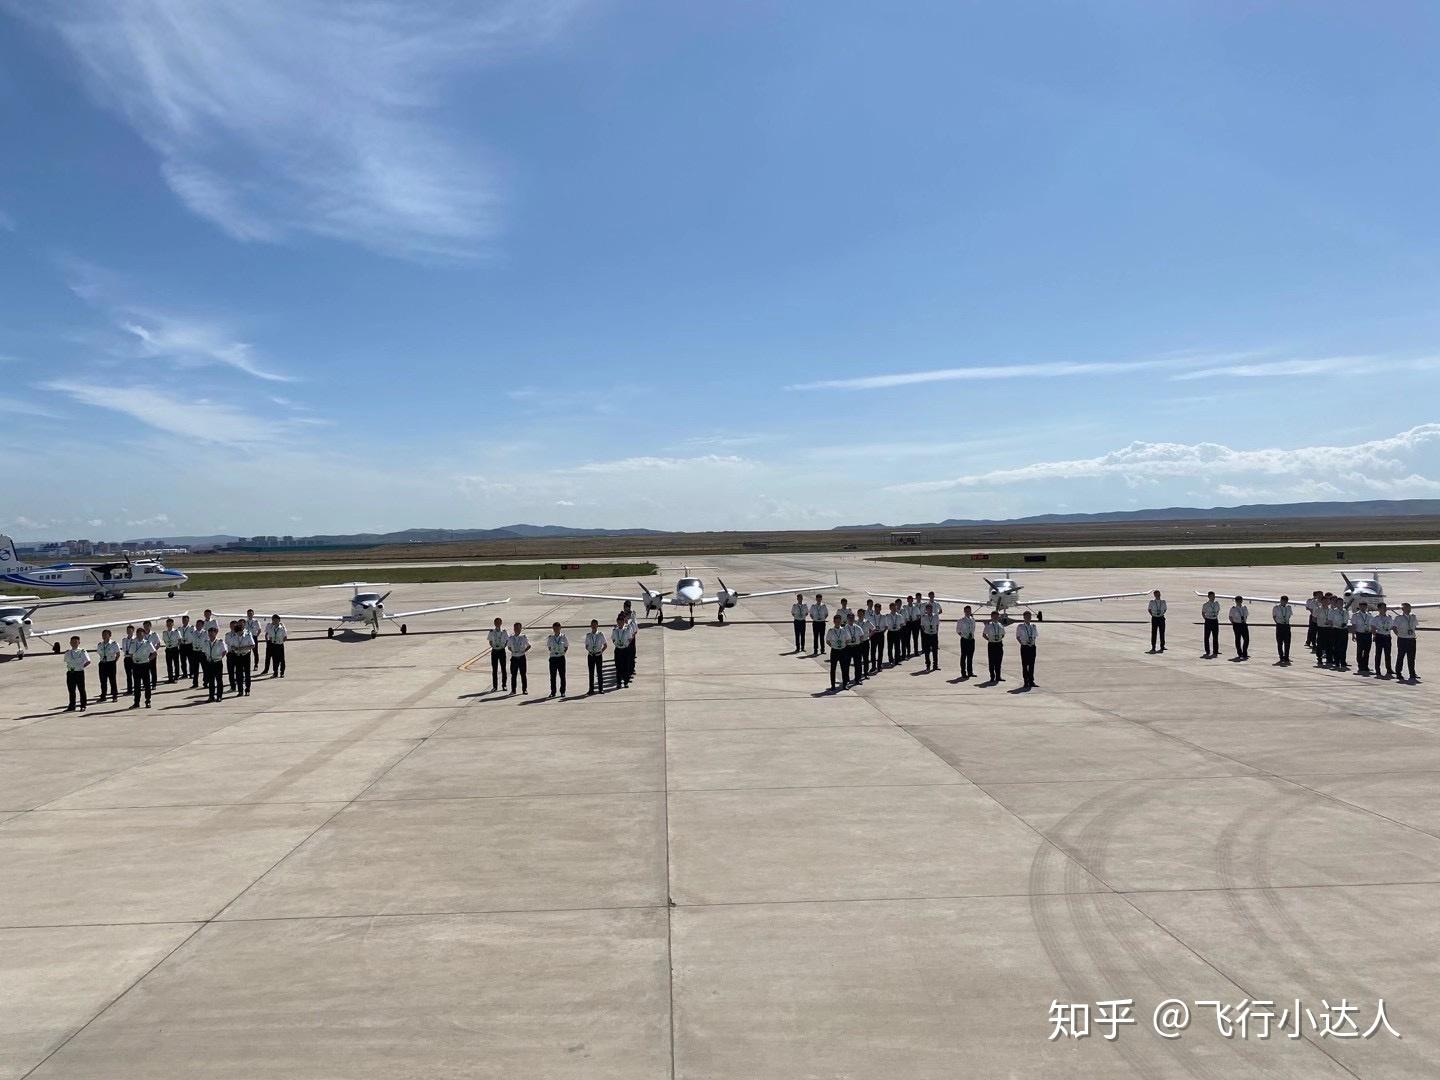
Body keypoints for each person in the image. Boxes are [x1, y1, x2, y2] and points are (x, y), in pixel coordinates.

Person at [130, 623, 156, 708]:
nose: (139, 635)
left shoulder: (147, 643)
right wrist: (133, 660)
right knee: (137, 685)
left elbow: (154, 653)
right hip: (136, 665)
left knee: (147, 684)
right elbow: (130, 653)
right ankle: (136, 702)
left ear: (144, 634)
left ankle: (148, 701)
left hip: (144, 665)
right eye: (137, 633)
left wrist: (148, 659)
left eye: (141, 633)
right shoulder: (133, 642)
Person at [63, 635, 90, 711]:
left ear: (79, 643)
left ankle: (83, 705)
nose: (74, 643)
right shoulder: (68, 652)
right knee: (71, 690)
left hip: (79, 672)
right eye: (72, 642)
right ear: (70, 643)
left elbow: (88, 661)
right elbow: (67, 662)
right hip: (71, 672)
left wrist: (81, 667)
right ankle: (72, 705)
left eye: (75, 642)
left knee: (81, 689)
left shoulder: (82, 651)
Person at [1394, 602, 1419, 683]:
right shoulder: (1399, 618)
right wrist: (1399, 634)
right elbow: (1394, 627)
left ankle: (1412, 673)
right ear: (1402, 609)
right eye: (1406, 608)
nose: (1408, 610)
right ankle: (1398, 673)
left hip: (1411, 639)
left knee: (1411, 657)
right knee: (1400, 656)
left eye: (1409, 608)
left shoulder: (1413, 616)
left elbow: (1415, 626)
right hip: (1402, 639)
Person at [232, 619, 256, 696]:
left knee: (247, 673)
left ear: (242, 630)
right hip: (238, 656)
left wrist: (243, 648)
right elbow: (231, 646)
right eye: (237, 632)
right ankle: (240, 690)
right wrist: (234, 648)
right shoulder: (234, 637)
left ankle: (247, 688)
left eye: (240, 632)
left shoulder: (248, 635)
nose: (239, 634)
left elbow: (253, 645)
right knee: (238, 674)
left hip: (246, 655)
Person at [1371, 602, 1395, 679]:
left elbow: (1392, 627)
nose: (1384, 609)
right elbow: (1373, 628)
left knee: (1388, 654)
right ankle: (1377, 669)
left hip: (1387, 636)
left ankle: (1389, 669)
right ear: (1378, 609)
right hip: (1380, 636)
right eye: (1382, 608)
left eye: (1385, 608)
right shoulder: (1376, 618)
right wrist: (1374, 635)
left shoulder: (1389, 617)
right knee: (1378, 654)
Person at [95, 628, 120, 702]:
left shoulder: (114, 644)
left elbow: (118, 654)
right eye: (103, 634)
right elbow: (99, 653)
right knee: (103, 681)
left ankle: (114, 696)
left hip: (111, 663)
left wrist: (114, 661)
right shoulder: (100, 644)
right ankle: (103, 695)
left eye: (106, 634)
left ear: (110, 635)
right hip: (103, 664)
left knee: (112, 680)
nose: (104, 636)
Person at [584, 619, 608, 694]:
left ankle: (601, 688)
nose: (593, 626)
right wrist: (589, 650)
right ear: (590, 626)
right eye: (592, 624)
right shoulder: (588, 635)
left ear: (597, 625)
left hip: (598, 655)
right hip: (591, 655)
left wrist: (601, 651)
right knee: (591, 673)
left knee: (599, 672)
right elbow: (586, 646)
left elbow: (605, 645)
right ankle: (591, 689)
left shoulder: (600, 634)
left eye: (595, 624)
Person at [613, 612, 636, 687]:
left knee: (626, 666)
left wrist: (626, 644)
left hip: (625, 649)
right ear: (617, 622)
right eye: (618, 622)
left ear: (623, 622)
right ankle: (618, 683)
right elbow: (613, 639)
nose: (620, 623)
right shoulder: (615, 630)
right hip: (618, 649)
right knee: (618, 667)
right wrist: (617, 644)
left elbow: (630, 638)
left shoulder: (627, 629)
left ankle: (626, 682)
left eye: (621, 622)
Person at [826, 613, 849, 690]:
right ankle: (833, 685)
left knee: (844, 668)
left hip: (842, 651)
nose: (838, 623)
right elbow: (828, 641)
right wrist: (833, 646)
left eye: (839, 621)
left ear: (841, 621)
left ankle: (845, 684)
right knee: (833, 669)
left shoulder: (844, 630)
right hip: (834, 651)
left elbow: (847, 639)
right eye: (836, 621)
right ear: (834, 622)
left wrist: (843, 646)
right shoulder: (831, 631)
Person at [203, 626, 226, 702]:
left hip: (217, 662)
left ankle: (219, 696)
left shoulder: (220, 641)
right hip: (209, 663)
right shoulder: (206, 642)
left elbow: (224, 651)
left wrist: (219, 658)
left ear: (216, 633)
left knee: (219, 680)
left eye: (212, 633)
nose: (210, 635)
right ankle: (211, 696)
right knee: (211, 681)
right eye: (209, 634)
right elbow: (204, 652)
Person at [1350, 602, 1374, 675]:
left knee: (1367, 651)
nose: (1363, 608)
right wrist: (1353, 635)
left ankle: (1365, 666)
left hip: (1368, 634)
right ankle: (1360, 665)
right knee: (1360, 650)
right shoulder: (1356, 615)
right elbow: (1353, 625)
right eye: (1361, 606)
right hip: (1360, 634)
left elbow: (1372, 625)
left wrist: (1374, 634)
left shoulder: (1369, 615)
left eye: (1364, 606)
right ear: (1359, 607)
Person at [1015, 611, 1038, 688]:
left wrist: (1032, 642)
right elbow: (1017, 637)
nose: (1028, 618)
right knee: (1025, 665)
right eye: (1027, 616)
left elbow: (1035, 636)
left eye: (1029, 616)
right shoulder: (1020, 626)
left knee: (1032, 664)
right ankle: (1026, 681)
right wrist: (1022, 643)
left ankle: (1031, 681)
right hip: (1025, 647)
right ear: (1024, 617)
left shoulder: (1033, 626)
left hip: (1032, 647)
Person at [486, 617, 509, 692]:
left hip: (502, 651)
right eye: (496, 622)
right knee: (494, 669)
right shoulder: (492, 632)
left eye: (499, 622)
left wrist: (504, 646)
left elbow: (507, 640)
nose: (498, 624)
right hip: (495, 651)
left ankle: (504, 685)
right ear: (494, 623)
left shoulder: (504, 631)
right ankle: (495, 686)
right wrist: (493, 646)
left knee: (503, 668)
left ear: (501, 623)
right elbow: (490, 641)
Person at [982, 611, 1006, 682]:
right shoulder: (988, 626)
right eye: (994, 616)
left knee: (999, 661)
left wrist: (999, 639)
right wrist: (989, 640)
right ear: (991, 617)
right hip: (991, 644)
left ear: (998, 617)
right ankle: (992, 676)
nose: (995, 618)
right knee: (991, 661)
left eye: (996, 616)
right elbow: (984, 635)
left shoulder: (1000, 625)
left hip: (999, 644)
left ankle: (998, 676)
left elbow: (1003, 634)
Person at [955, 606, 976, 679]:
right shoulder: (961, 620)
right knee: (963, 656)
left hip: (971, 640)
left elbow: (973, 629)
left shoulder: (973, 620)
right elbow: (958, 630)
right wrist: (964, 636)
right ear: (964, 611)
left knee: (970, 656)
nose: (968, 613)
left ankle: (970, 672)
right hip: (964, 640)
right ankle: (963, 672)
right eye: (966, 611)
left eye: (969, 611)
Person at [1271, 595, 1293, 666]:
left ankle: (1286, 657)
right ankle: (1281, 656)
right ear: (1280, 600)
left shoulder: (1289, 608)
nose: (1284, 602)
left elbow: (1289, 615)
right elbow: (1274, 616)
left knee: (1287, 642)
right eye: (1283, 600)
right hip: (1280, 625)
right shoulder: (1276, 608)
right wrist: (1278, 622)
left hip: (1286, 625)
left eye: (1285, 601)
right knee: (1280, 642)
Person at [920, 602, 941, 672]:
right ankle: (928, 666)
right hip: (927, 635)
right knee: (927, 651)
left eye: (931, 609)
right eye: (928, 609)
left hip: (934, 635)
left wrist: (936, 631)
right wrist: (926, 631)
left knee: (935, 651)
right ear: (926, 610)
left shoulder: (936, 616)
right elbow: (922, 626)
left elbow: (937, 625)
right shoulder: (924, 617)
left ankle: (935, 665)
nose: (930, 610)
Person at [1228, 596, 1250, 661]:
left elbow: (1246, 615)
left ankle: (1244, 652)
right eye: (1238, 601)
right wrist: (1234, 623)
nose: (1240, 602)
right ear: (1236, 601)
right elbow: (1230, 617)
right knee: (1238, 639)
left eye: (1240, 600)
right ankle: (1240, 653)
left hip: (1244, 624)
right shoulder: (1233, 609)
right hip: (1237, 624)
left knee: (1246, 639)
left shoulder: (1244, 607)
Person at [1201, 592, 1220, 659]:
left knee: (1215, 636)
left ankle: (1215, 650)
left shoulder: (1217, 604)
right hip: (1208, 620)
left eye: (1214, 596)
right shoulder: (1206, 605)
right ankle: (1207, 651)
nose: (1213, 597)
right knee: (1207, 637)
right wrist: (1206, 619)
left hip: (1215, 620)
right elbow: (1203, 613)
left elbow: (1218, 611)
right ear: (1208, 597)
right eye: (1212, 596)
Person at [245, 610, 265, 675]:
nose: (249, 615)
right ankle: (247, 666)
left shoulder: (256, 622)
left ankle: (256, 665)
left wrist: (256, 636)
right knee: (247, 652)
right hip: (247, 638)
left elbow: (259, 630)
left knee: (255, 652)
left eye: (251, 614)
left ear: (253, 614)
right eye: (248, 614)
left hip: (253, 637)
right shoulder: (245, 622)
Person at [162, 618, 182, 682]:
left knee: (176, 663)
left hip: (174, 649)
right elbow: (164, 640)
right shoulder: (164, 632)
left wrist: (175, 646)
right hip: (168, 649)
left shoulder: (176, 631)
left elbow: (179, 640)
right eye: (168, 623)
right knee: (169, 664)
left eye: (170, 623)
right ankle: (170, 677)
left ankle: (176, 676)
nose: (169, 625)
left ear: (173, 624)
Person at [177, 614, 195, 680]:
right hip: (182, 645)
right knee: (183, 661)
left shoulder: (192, 628)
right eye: (183, 620)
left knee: (191, 661)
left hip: (189, 645)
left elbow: (195, 636)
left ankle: (192, 673)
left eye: (186, 620)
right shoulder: (179, 628)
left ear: (188, 620)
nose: (184, 621)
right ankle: (184, 674)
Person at [121, 624, 136, 695]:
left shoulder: (135, 639)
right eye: (128, 630)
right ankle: (129, 690)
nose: (129, 632)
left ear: (133, 631)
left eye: (130, 630)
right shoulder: (124, 640)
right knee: (128, 675)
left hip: (133, 658)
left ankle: (136, 688)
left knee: (136, 675)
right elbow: (123, 649)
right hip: (127, 658)